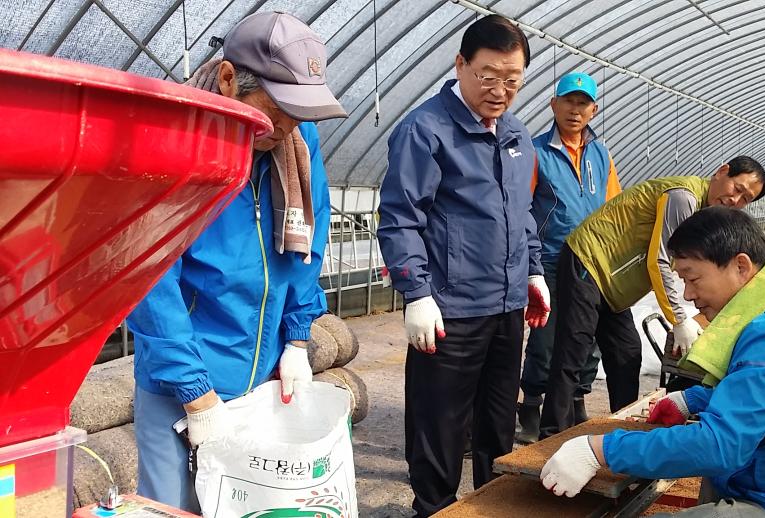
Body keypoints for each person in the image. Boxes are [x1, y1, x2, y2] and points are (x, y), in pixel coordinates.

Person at [126, 12, 346, 512]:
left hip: (261, 374)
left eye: (300, 113)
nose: (289, 126)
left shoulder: (294, 141)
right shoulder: (171, 145)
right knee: (175, 506)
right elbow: (149, 276)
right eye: (277, 109)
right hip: (179, 381)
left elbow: (307, 240)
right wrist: (195, 392)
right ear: (228, 79)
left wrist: (296, 336)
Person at [540, 206, 765, 517]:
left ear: (740, 266)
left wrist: (600, 450)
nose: (687, 294)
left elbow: (720, 446)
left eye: (692, 278)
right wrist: (690, 399)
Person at [376, 14, 549, 517]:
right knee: (440, 422)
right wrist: (416, 293)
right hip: (449, 309)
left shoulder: (517, 134)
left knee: (498, 422)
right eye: (488, 77)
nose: (500, 91)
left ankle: (496, 507)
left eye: (512, 81)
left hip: (506, 306)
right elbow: (399, 218)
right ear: (461, 65)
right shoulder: (426, 130)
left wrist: (533, 272)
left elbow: (522, 216)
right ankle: (434, 508)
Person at [540, 156, 765, 438]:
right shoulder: (683, 198)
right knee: (572, 353)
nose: (736, 200)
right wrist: (679, 319)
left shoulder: (704, 216)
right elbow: (660, 262)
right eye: (737, 188)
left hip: (614, 282)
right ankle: (550, 438)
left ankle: (622, 434)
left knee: (626, 353)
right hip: (590, 261)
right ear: (722, 171)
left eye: (746, 198)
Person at [517, 71, 623, 444]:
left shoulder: (601, 153)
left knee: (586, 334)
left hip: (590, 260)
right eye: (568, 101)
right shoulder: (535, 152)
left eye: (583, 103)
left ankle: (576, 398)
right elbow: (523, 208)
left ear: (593, 110)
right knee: (546, 336)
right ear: (553, 105)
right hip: (549, 257)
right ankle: (531, 403)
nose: (575, 110)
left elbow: (613, 207)